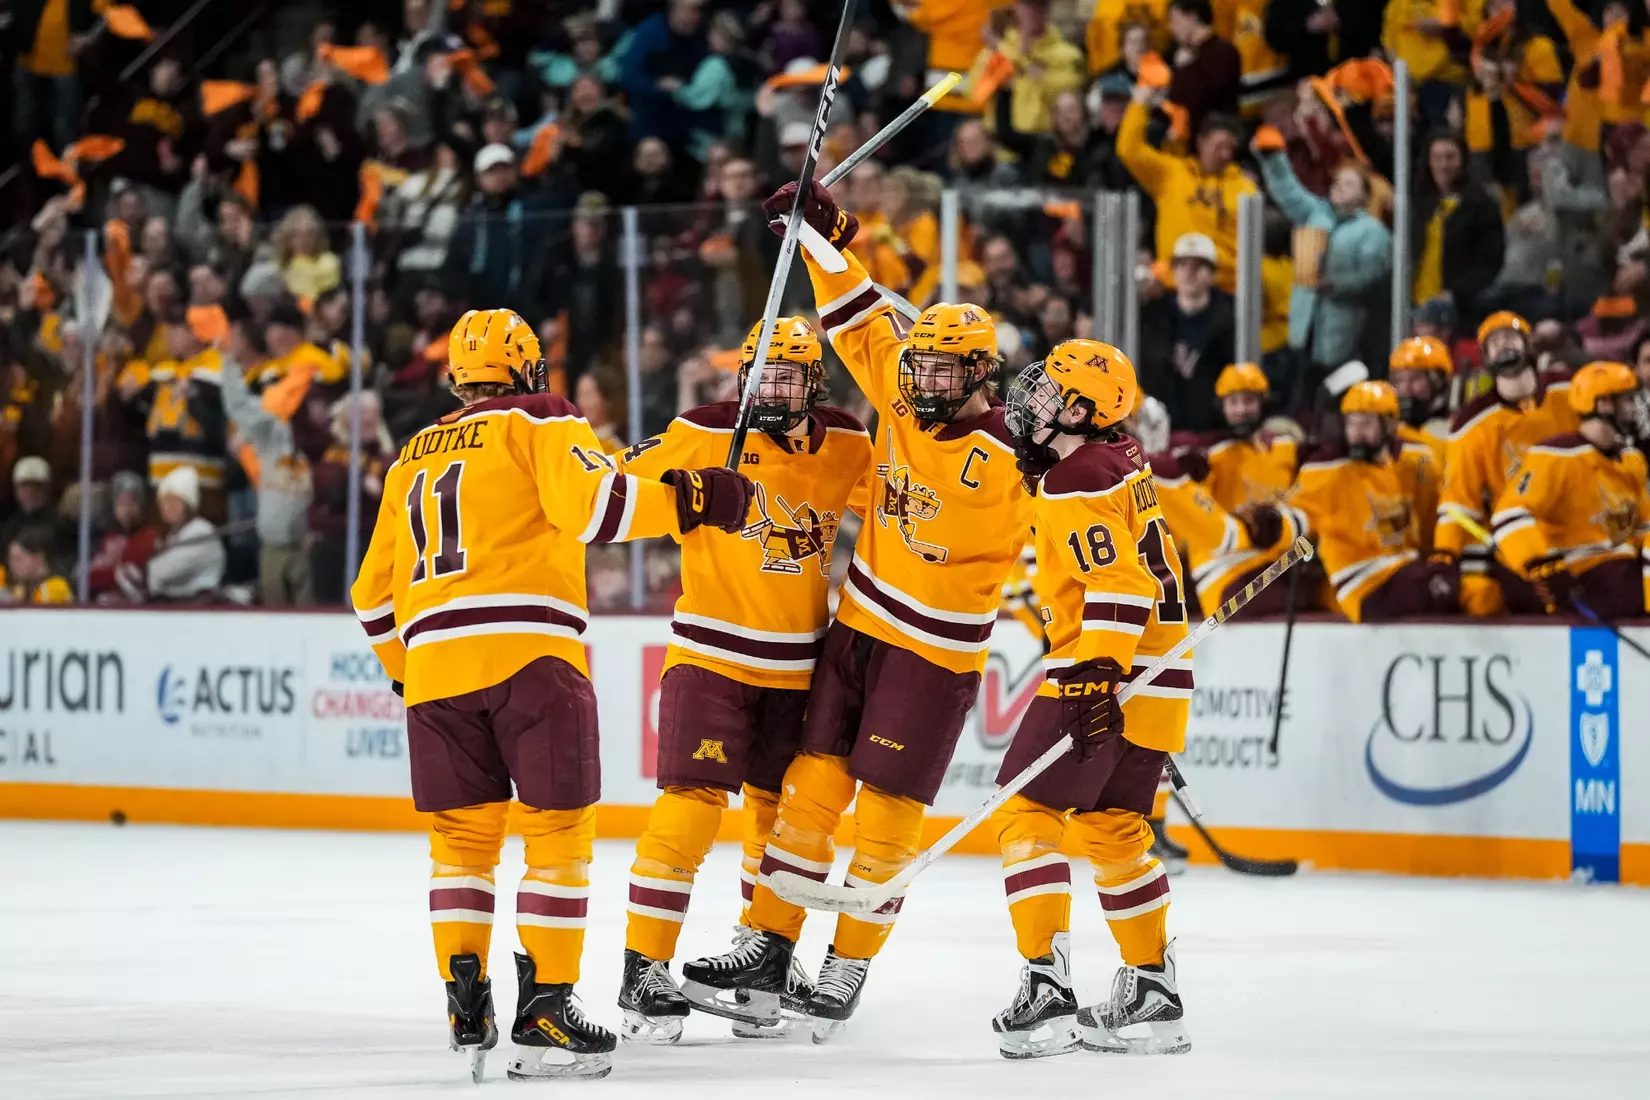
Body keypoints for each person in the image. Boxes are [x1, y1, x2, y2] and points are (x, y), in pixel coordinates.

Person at [349, 308, 752, 1082]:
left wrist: (411, 671)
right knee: (556, 837)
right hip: (531, 657)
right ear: (530, 370)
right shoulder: (542, 419)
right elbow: (595, 510)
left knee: (460, 847)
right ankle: (546, 1013)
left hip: (434, 674)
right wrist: (696, 498)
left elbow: (372, 597)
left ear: (457, 378)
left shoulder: (409, 457)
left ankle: (465, 1004)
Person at [682, 181, 1032, 1042]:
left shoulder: (1008, 463)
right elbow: (858, 320)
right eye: (916, 371)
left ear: (979, 377)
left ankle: (845, 968)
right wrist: (820, 237)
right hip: (859, 627)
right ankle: (766, 944)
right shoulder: (914, 400)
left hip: (934, 656)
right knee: (807, 793)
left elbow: (1080, 515)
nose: (915, 385)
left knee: (884, 818)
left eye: (940, 372)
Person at [614, 318, 871, 1043]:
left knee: (779, 820)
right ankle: (644, 970)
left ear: (814, 383)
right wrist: (685, 494)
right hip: (710, 656)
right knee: (690, 808)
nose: (766, 386)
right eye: (757, 370)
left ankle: (766, 963)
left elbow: (892, 509)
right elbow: (610, 498)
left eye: (785, 375)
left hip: (798, 665)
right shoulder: (700, 429)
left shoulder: (848, 441)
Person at [991, 340, 1192, 1059]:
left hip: (1103, 664)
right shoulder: (1119, 460)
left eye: (1049, 395)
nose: (1031, 402)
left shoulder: (1076, 477)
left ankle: (1045, 986)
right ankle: (1153, 992)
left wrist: (1094, 675)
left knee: (1025, 812)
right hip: (1162, 673)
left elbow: (1119, 585)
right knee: (1112, 828)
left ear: (1080, 412)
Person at [1434, 311, 1580, 616]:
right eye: (1494, 343)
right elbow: (1458, 501)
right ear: (1485, 357)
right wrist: (1444, 554)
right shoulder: (1472, 423)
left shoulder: (1569, 390)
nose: (1504, 346)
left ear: (1529, 346)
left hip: (1583, 531)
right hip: (1522, 543)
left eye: (1510, 338)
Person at [1276, 382, 1453, 621]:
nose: (1357, 433)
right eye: (1352, 423)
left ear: (1390, 425)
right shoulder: (1328, 469)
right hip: (1363, 581)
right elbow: (1292, 518)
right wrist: (1268, 523)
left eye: (1366, 423)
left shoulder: (1411, 462)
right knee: (1440, 587)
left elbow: (1431, 516)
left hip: (1406, 569)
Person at [1491, 361, 1650, 619]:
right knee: (1622, 585)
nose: (1634, 409)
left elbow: (1645, 526)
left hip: (1620, 568)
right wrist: (1540, 564)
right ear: (1603, 405)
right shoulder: (1556, 455)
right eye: (1627, 401)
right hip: (1576, 574)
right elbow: (1508, 516)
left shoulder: (1632, 459)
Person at [1256, 138, 1392, 378]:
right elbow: (1288, 191)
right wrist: (1273, 158)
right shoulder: (1316, 214)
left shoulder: (1372, 230)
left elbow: (1373, 276)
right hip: (1303, 328)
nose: (1339, 186)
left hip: (1344, 332)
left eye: (1349, 184)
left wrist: (1335, 285)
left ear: (1364, 196)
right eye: (1337, 182)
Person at [1118, 83, 1255, 292]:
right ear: (1200, 142)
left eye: (1231, 149)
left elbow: (1245, 250)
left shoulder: (1244, 187)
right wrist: (1139, 103)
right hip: (1171, 287)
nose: (1225, 155)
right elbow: (1129, 150)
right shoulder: (1172, 172)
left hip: (1220, 291)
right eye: (1218, 146)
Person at [1137, 234, 1237, 432]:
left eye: (1198, 266)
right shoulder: (1153, 315)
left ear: (1212, 273)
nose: (1189, 273)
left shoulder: (1230, 318)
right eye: (1183, 266)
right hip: (1160, 428)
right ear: (1173, 272)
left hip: (1212, 430)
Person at [146, 468, 227, 602]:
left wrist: (146, 568)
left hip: (199, 607)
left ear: (188, 505)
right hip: (174, 606)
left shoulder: (201, 531)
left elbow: (164, 572)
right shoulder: (174, 534)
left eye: (175, 501)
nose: (168, 507)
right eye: (164, 501)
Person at [1166, 0, 1241, 133]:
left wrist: (1184, 69)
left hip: (1217, 135)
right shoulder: (1174, 53)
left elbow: (1203, 96)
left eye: (1174, 20)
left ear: (1192, 17)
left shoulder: (1223, 52)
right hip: (1184, 136)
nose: (1171, 28)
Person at [1, 526, 73, 605]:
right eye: (11, 559)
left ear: (38, 558)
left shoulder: (55, 587)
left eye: (19, 559)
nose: (13, 565)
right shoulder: (20, 589)